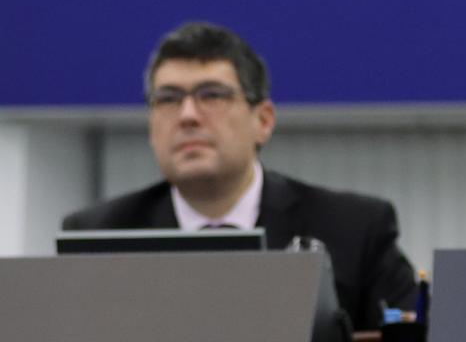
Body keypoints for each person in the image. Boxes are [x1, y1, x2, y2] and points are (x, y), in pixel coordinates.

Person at [62, 22, 419, 330]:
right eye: (168, 99)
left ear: (262, 121)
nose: (187, 115)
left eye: (212, 95)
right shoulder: (99, 236)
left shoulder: (354, 229)